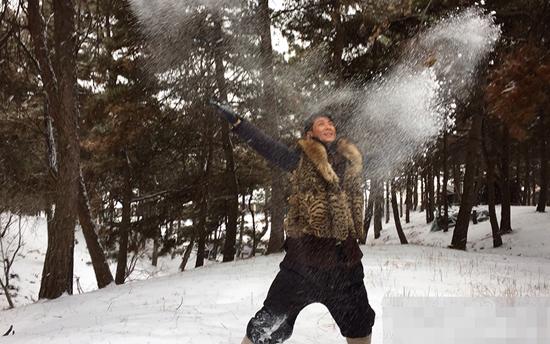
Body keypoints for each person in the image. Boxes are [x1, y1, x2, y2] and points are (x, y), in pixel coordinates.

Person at [211, 101, 375, 344]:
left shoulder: (351, 162)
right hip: (304, 265)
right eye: (322, 123)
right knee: (267, 325)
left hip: (346, 266)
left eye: (331, 123)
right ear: (310, 133)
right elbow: (266, 146)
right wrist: (238, 123)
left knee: (360, 324)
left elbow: (384, 154)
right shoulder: (298, 159)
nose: (329, 125)